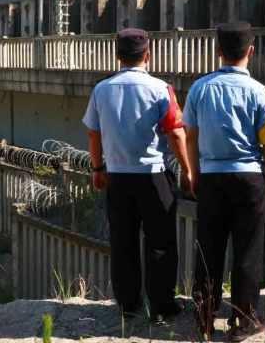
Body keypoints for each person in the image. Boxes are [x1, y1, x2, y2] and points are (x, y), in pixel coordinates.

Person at [82, 28, 194, 324]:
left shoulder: (102, 89)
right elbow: (177, 133)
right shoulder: (160, 88)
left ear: (117, 55)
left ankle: (128, 305)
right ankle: (161, 305)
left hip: (117, 177)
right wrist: (188, 170)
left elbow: (93, 133)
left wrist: (97, 168)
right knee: (160, 242)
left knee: (123, 242)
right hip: (153, 176)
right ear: (148, 54)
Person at [184, 23, 265, 342]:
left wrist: (194, 172)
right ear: (250, 51)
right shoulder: (260, 91)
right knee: (248, 251)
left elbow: (190, 135)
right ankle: (242, 321)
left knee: (209, 248)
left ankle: (204, 318)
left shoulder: (200, 88)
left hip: (212, 177)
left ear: (218, 52)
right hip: (248, 178)